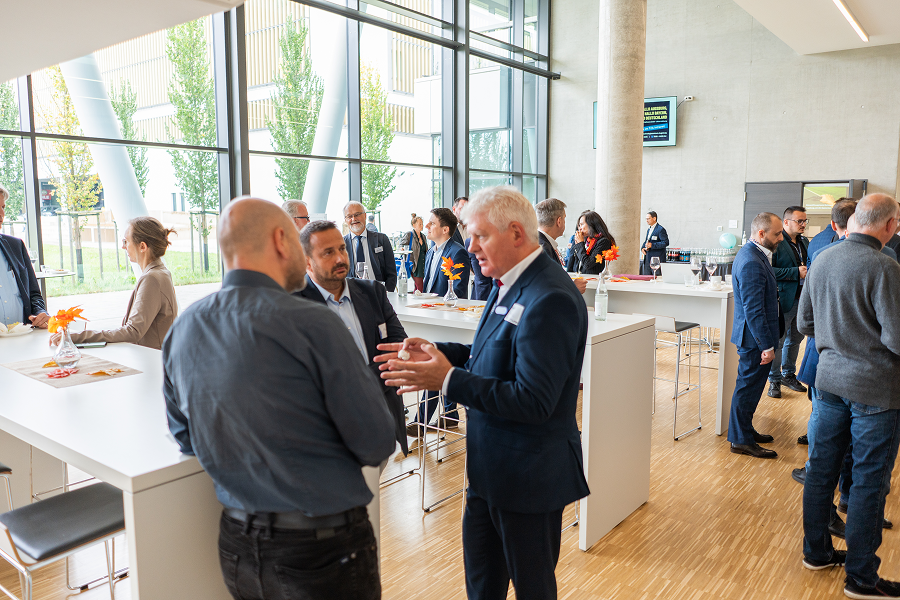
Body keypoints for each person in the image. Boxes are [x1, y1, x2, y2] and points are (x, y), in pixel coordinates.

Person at [163, 197, 395, 600]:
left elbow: (186, 437)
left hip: (237, 546)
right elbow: (376, 441)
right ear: (279, 240)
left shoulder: (185, 327)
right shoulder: (313, 323)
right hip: (320, 550)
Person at [377, 186, 590, 600]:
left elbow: (534, 401)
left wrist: (447, 380)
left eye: (479, 236)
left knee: (533, 589)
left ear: (515, 233)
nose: (469, 247)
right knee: (482, 587)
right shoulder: (506, 280)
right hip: (489, 472)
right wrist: (441, 353)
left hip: (529, 477)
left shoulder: (551, 297)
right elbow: (490, 353)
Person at [798, 193, 900, 598]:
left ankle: (816, 552)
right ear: (889, 225)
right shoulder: (885, 267)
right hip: (874, 390)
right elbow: (895, 337)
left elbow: (806, 323)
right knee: (868, 482)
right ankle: (861, 577)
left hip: (827, 383)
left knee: (821, 470)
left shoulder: (822, 257)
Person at [296, 220, 409, 455]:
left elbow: (397, 344)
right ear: (307, 261)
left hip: (381, 412)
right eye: (328, 252)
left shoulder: (372, 291)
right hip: (329, 427)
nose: (340, 258)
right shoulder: (293, 304)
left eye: (341, 248)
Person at [52, 217, 178, 350]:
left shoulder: (151, 278)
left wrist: (75, 337)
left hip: (151, 361)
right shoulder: (160, 272)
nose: (123, 246)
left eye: (126, 241)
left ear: (142, 246)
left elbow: (132, 331)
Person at [727, 212, 783, 459]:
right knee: (747, 389)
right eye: (777, 233)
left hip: (754, 338)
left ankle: (745, 431)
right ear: (761, 234)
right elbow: (754, 310)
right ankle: (740, 440)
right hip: (754, 340)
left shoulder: (755, 255)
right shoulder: (751, 260)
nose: (781, 237)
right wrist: (766, 345)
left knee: (750, 388)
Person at [767, 205, 810, 399]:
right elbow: (769, 271)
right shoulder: (777, 241)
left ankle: (788, 374)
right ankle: (774, 379)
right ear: (786, 222)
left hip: (803, 298)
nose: (803, 225)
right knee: (779, 341)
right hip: (784, 298)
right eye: (799, 221)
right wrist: (795, 272)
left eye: (804, 221)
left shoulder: (805, 242)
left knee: (796, 339)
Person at [0, 185, 48, 329]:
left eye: (3, 207)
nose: (1, 213)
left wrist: (40, 313)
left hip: (23, 338)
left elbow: (33, 294)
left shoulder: (16, 245)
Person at [535, 198, 587, 294]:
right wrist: (572, 288)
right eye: (564, 218)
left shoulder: (537, 242)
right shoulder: (543, 248)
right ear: (559, 221)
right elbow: (545, 288)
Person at [344, 201, 397, 292]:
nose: (353, 219)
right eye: (349, 216)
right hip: (352, 296)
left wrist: (385, 295)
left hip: (378, 293)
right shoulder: (341, 245)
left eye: (357, 214)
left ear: (365, 216)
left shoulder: (382, 239)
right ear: (345, 220)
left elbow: (391, 273)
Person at [422, 207, 469, 298]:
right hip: (427, 307)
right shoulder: (430, 253)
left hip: (445, 309)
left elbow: (457, 291)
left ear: (445, 230)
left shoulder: (458, 253)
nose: (426, 226)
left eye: (432, 223)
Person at [566, 210, 616, 275]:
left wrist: (580, 244)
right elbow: (571, 262)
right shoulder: (584, 239)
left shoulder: (604, 242)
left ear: (591, 224)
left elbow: (587, 264)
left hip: (593, 280)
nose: (580, 228)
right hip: (577, 278)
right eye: (579, 225)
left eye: (582, 224)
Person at [401, 213, 428, 292]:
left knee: (417, 287)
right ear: (414, 225)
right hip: (414, 265)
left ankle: (415, 301)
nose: (422, 226)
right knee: (420, 287)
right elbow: (401, 245)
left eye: (422, 224)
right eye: (419, 224)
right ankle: (419, 302)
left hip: (423, 264)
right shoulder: (409, 234)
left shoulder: (423, 236)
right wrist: (402, 248)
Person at [640, 211, 669, 276]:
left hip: (656, 260)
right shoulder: (649, 229)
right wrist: (642, 248)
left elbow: (665, 242)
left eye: (648, 218)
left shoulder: (660, 229)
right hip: (647, 258)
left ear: (654, 218)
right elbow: (646, 241)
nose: (646, 220)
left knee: (657, 278)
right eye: (646, 219)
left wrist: (652, 245)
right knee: (647, 278)